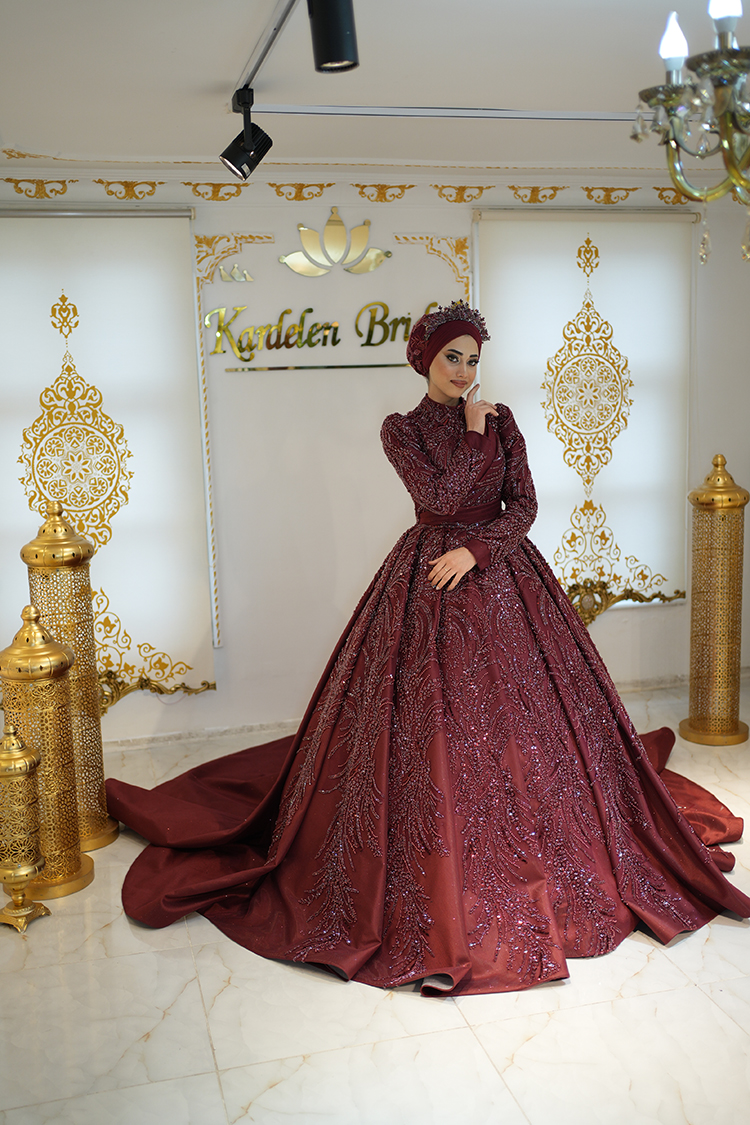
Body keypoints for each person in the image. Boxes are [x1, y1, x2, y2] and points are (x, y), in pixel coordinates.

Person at [107, 299, 750, 997]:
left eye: (473, 359)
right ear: (425, 359)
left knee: (532, 722)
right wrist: (471, 439)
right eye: (452, 358)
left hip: (501, 576)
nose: (465, 371)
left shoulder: (503, 421)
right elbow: (439, 500)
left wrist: (478, 550)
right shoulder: (402, 429)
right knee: (427, 724)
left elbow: (524, 505)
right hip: (426, 582)